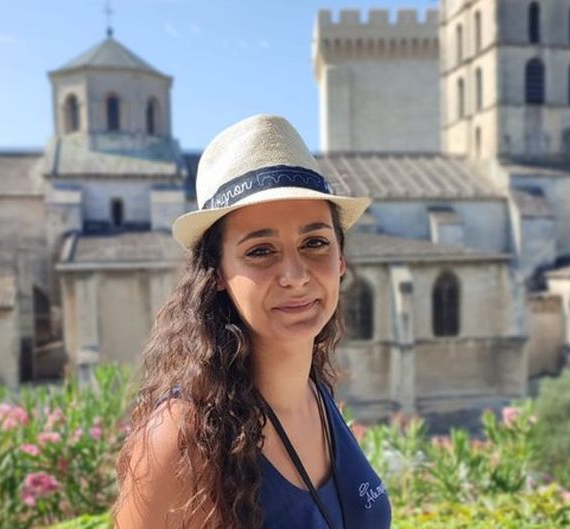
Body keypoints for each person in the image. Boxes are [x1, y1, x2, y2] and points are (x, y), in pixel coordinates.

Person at [113, 114, 391, 529]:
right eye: (261, 250)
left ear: (341, 261)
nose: (295, 275)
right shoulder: (180, 440)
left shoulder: (318, 396)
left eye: (315, 243)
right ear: (218, 274)